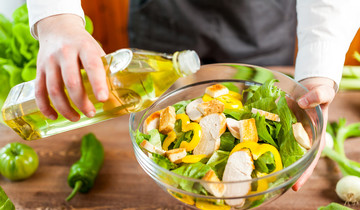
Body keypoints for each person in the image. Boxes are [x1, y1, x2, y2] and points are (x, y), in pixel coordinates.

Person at [26, 0, 360, 191]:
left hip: (262, 21)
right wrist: (55, 18)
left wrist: (318, 67)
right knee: (155, 106)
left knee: (261, 98)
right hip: (162, 21)